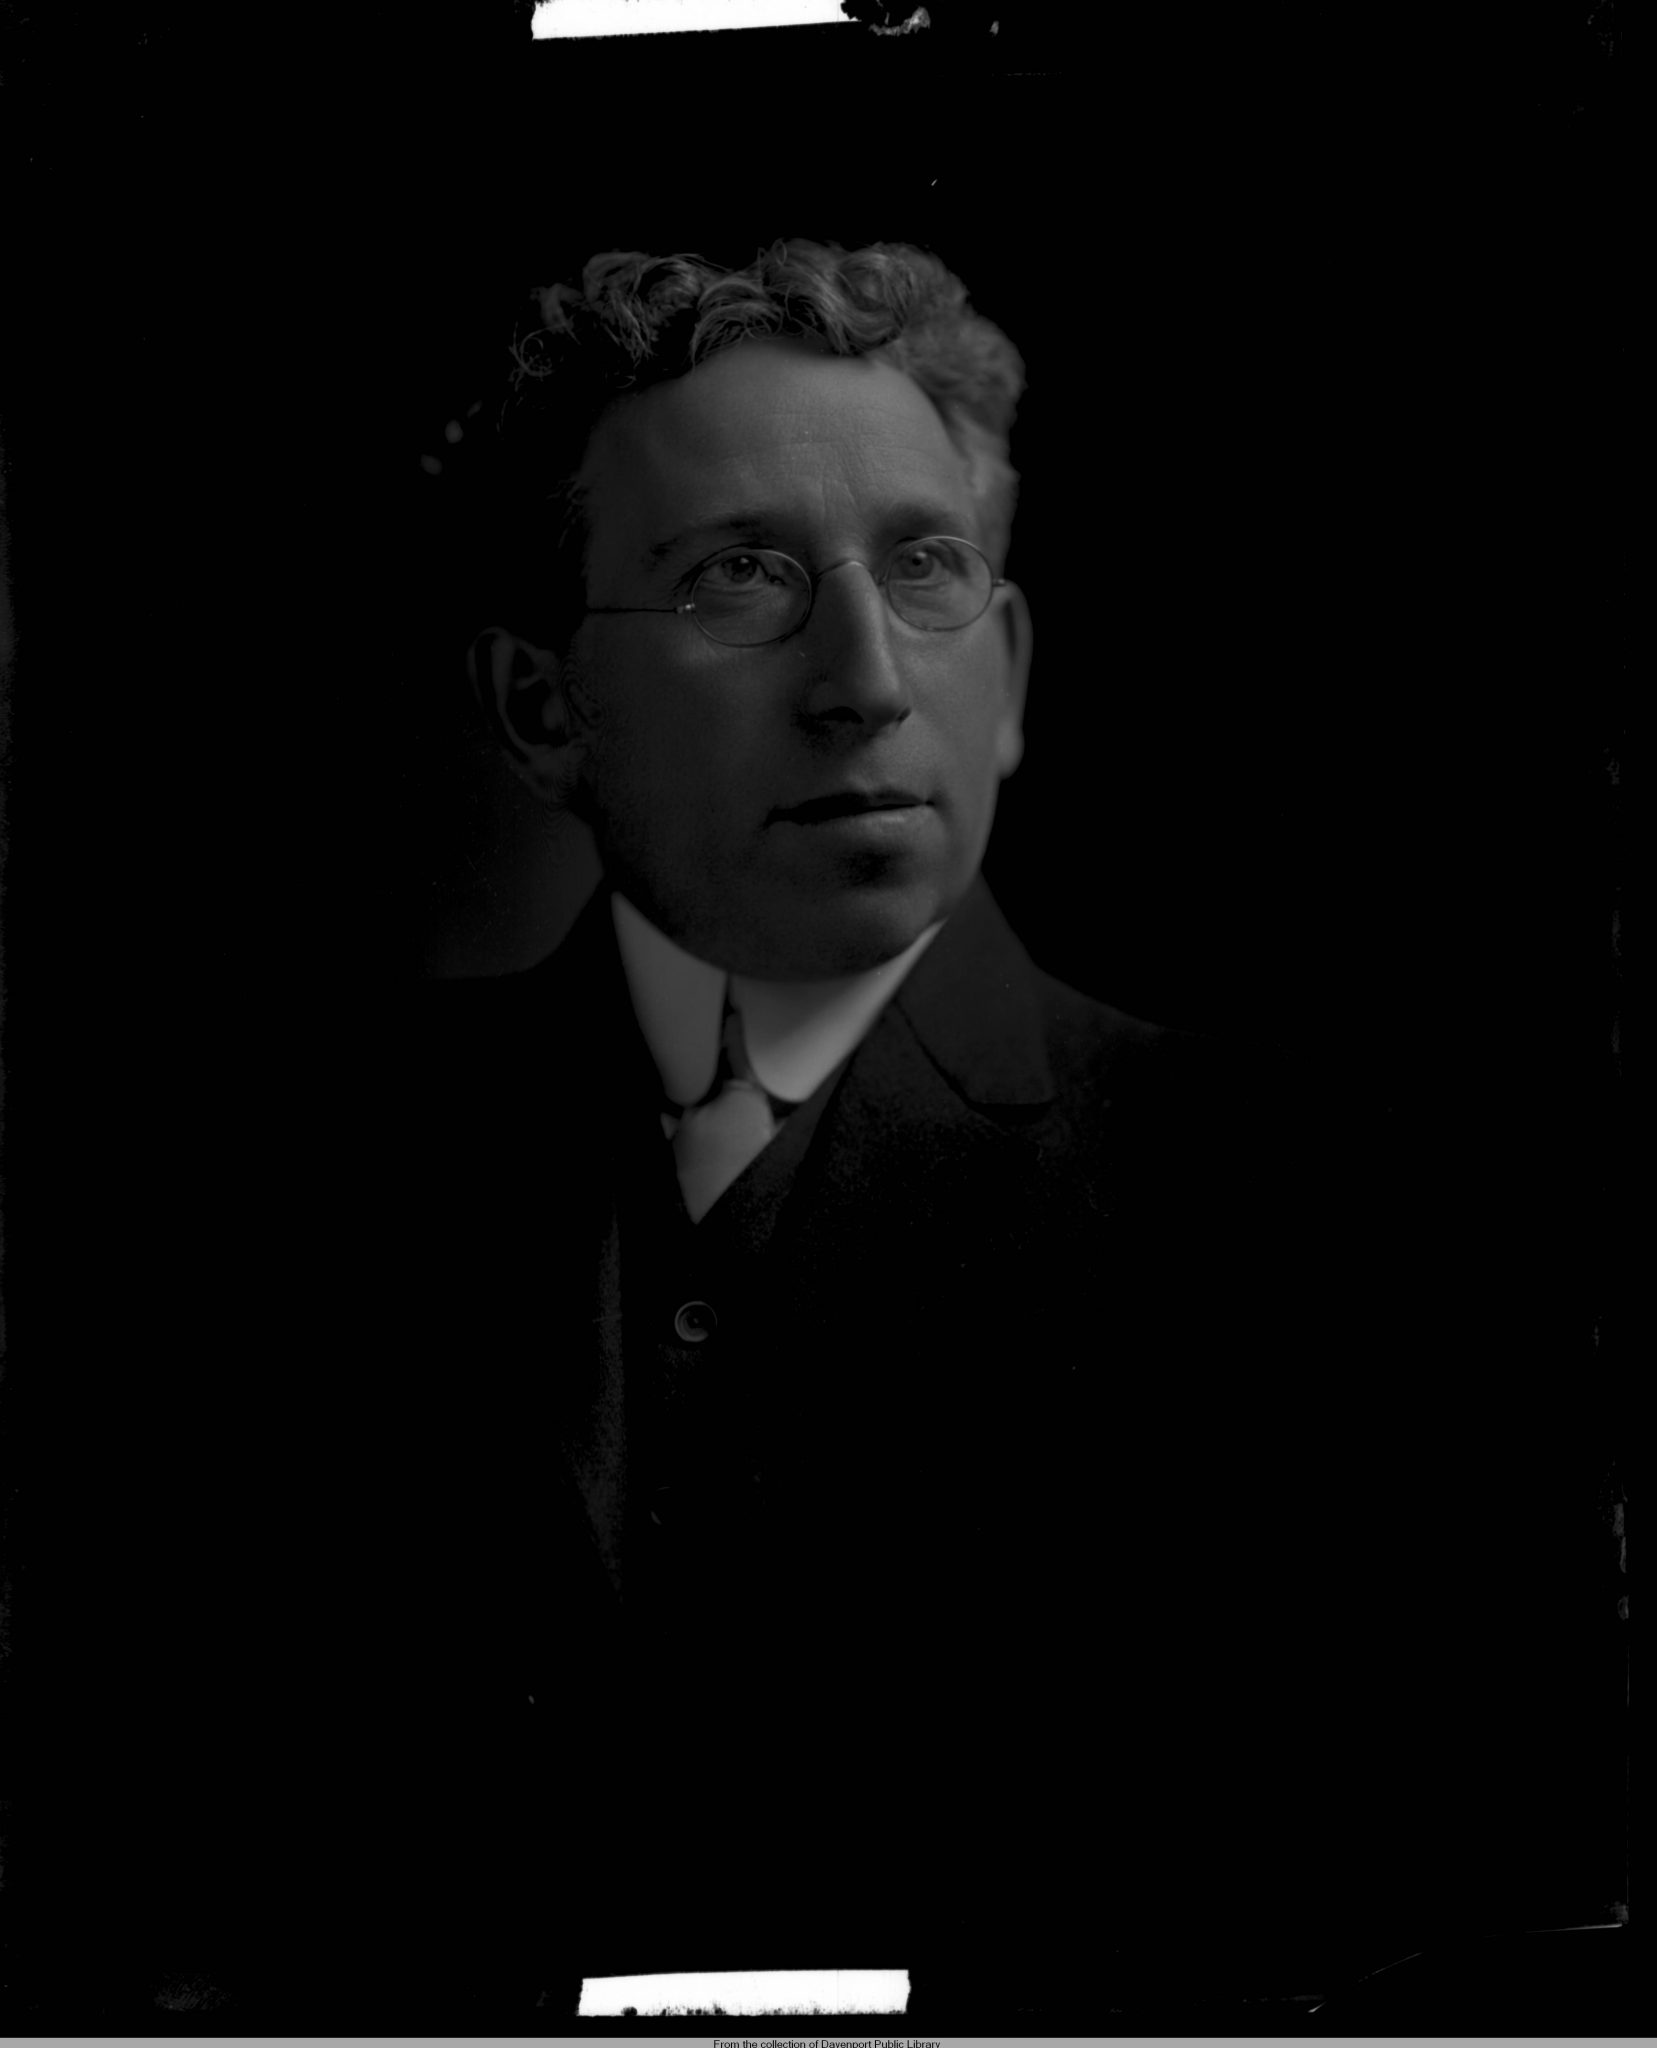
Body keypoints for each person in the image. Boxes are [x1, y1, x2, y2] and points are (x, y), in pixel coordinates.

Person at [327, 238, 1406, 2020]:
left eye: (925, 568)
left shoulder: (1305, 1199)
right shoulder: (300, 1170)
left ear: (1012, 669)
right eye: (736, 575)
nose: (865, 680)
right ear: (538, 709)